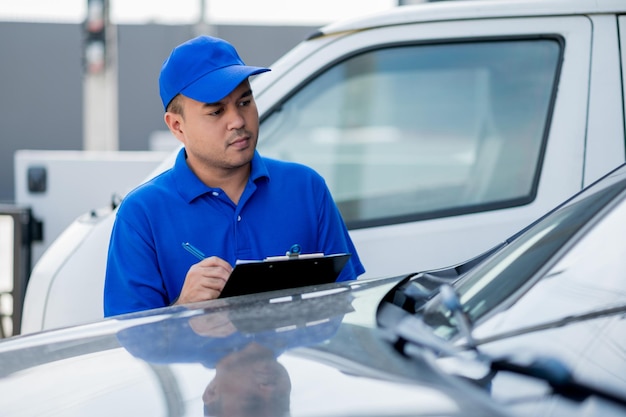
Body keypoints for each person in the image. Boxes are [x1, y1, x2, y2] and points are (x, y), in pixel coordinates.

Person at [103, 35, 365, 316]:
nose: (238, 121)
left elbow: (345, 306)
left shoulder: (306, 188)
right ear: (177, 126)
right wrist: (182, 309)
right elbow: (126, 342)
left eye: (244, 102)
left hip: (294, 361)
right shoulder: (141, 214)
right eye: (216, 111)